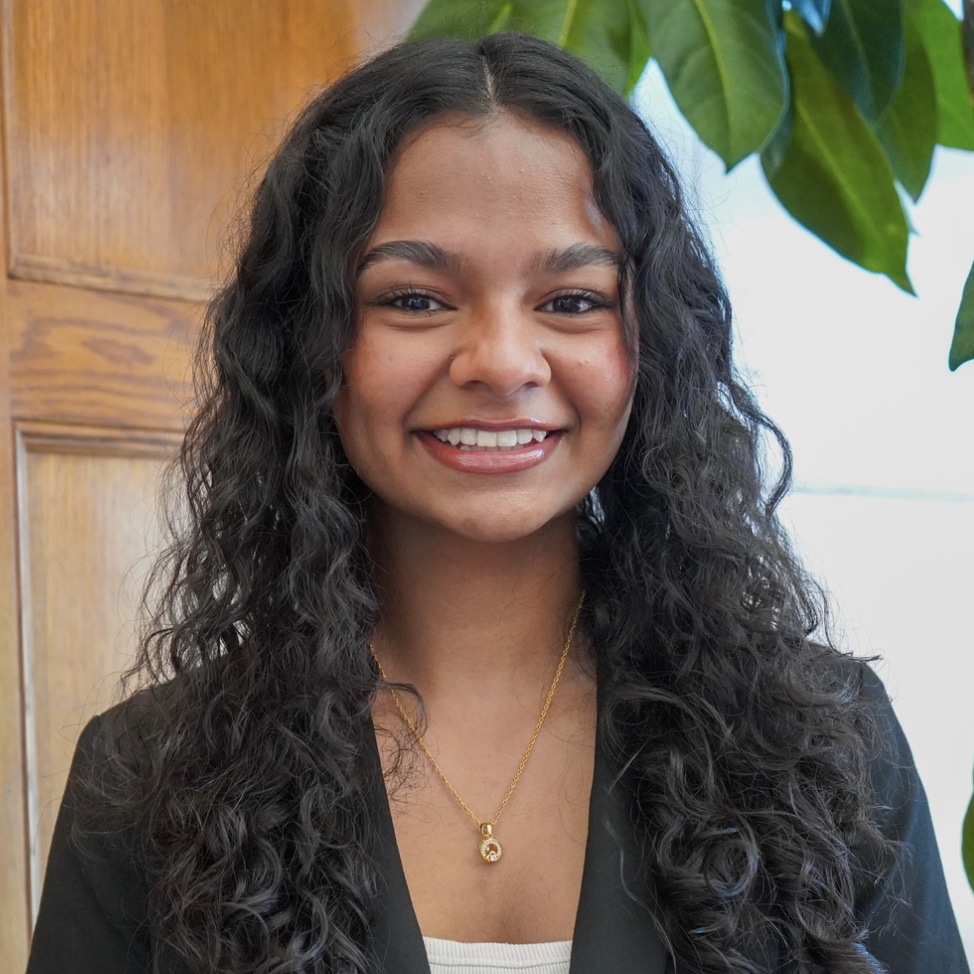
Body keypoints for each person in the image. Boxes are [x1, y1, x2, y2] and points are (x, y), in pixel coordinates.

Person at [25, 31, 969, 974]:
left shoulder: (828, 742)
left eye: (572, 301)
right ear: (308, 340)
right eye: (416, 299)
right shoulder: (151, 779)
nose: (504, 364)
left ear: (653, 346)